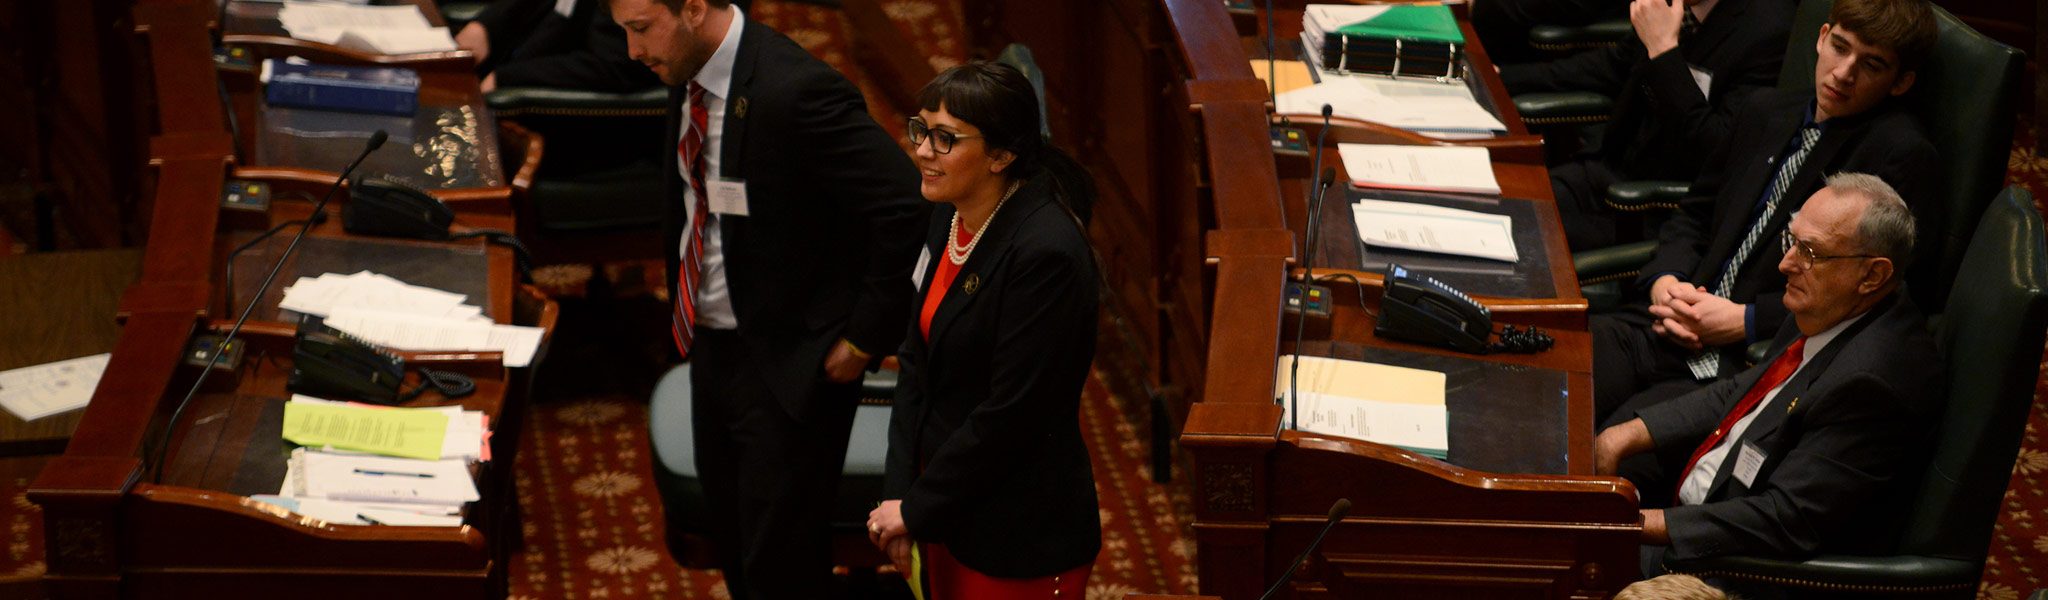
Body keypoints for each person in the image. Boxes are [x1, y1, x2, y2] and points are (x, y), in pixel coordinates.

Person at [610, 0, 929, 596]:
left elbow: (903, 206)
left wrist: (862, 338)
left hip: (789, 366)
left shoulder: (796, 90)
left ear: (694, 9)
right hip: (711, 347)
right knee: (734, 541)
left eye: (640, 29)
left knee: (778, 568)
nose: (633, 52)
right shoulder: (688, 73)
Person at [1590, 0, 1939, 424]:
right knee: (1551, 377)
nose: (1844, 73)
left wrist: (1746, 320)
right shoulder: (1764, 110)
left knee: (1610, 446)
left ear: (1900, 82)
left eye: (1872, 64)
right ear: (1822, 37)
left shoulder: (1899, 155)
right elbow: (1697, 214)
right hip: (1669, 322)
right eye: (1841, 47)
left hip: (1747, 366)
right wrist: (1668, 282)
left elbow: (1871, 296)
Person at [1595, 173, 1942, 579]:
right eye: (1791, 241)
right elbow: (1747, 389)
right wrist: (1624, 435)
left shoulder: (1874, 384)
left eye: (1810, 252)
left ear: (1872, 275)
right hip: (1713, 491)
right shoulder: (1831, 303)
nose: (1786, 264)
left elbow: (1782, 518)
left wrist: (1635, 527)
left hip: (1740, 568)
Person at [865, 62, 1102, 598]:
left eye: (945, 138)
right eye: (921, 130)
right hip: (944, 506)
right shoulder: (948, 212)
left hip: (1014, 532)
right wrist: (903, 497)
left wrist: (918, 507)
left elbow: (1012, 412)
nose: (923, 150)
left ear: (1001, 155)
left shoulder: (1046, 255)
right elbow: (916, 360)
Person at [1500, 0, 1794, 250]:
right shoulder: (1673, 3)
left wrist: (1664, 51)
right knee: (1495, 207)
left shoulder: (1767, 31)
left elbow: (1716, 151)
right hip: (1604, 171)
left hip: (1656, 210)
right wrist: (1503, 78)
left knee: (1517, 234)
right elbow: (1613, 65)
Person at [457, 0, 659, 93]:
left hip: (563, 118)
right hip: (511, 61)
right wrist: (484, 26)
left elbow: (613, 64)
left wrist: (508, 77)